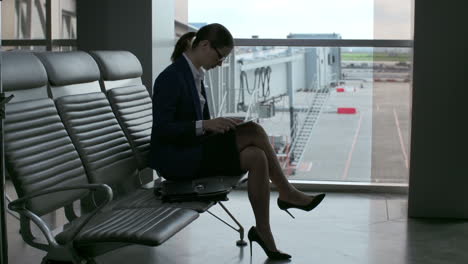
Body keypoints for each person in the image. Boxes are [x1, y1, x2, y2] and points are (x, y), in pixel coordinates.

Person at [149, 23, 325, 260]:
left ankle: (264, 232)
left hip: (193, 150)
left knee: (257, 156)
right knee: (253, 130)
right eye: (220, 56)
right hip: (177, 160)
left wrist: (216, 126)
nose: (221, 63)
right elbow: (162, 130)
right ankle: (287, 192)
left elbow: (196, 125)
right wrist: (206, 125)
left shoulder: (195, 75)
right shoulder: (171, 77)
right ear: (204, 45)